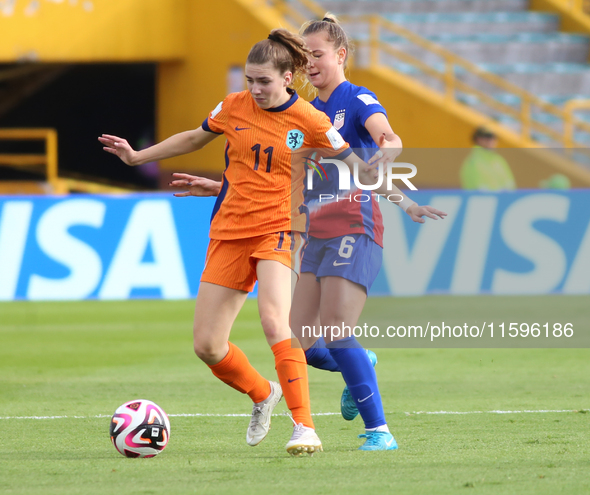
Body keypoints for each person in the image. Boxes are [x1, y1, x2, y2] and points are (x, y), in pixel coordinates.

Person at [172, 17, 446, 452]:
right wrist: (218, 185)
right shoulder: (297, 110)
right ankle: (358, 366)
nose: (311, 63)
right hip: (307, 229)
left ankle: (379, 431)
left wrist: (391, 161)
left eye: (318, 54)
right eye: (307, 55)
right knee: (301, 341)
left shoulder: (357, 99)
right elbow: (283, 171)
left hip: (351, 225)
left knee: (334, 331)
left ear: (340, 55)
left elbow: (385, 137)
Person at [99, 28, 361, 456]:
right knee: (207, 345)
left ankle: (305, 427)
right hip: (228, 230)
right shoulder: (233, 106)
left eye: (264, 81)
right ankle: (263, 393)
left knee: (276, 321)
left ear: (288, 78)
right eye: (249, 80)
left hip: (279, 227)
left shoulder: (311, 120)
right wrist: (137, 157)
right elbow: (193, 136)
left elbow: (354, 164)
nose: (255, 89)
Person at [460, 127, 516, 191]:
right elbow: (477, 189)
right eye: (487, 137)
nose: (491, 140)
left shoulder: (500, 160)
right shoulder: (473, 162)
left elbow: (510, 185)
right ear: (478, 139)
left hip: (503, 200)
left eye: (494, 137)